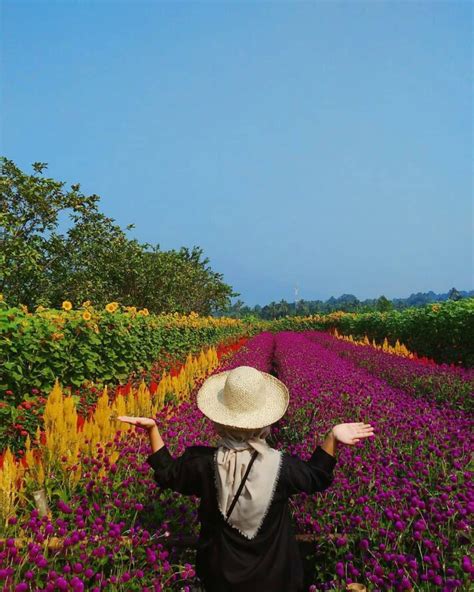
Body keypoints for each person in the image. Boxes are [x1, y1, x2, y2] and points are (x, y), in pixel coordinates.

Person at [118, 365, 375, 592]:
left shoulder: (202, 463)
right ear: (265, 422)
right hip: (276, 579)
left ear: (219, 420)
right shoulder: (283, 467)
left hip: (220, 577)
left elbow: (168, 473)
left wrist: (152, 429)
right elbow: (317, 476)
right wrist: (332, 437)